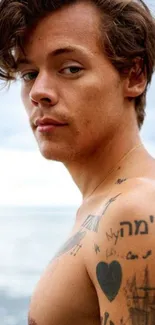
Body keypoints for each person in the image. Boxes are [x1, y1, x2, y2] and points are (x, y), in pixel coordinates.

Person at [0, 0, 155, 324]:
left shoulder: (133, 212)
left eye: (70, 68)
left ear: (134, 76)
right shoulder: (105, 205)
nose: (38, 92)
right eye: (29, 73)